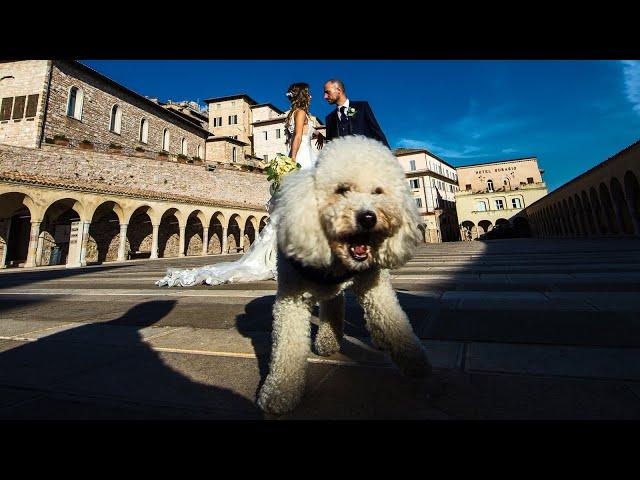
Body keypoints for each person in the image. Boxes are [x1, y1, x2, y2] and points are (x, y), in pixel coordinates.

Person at [155, 82, 319, 287]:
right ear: (304, 95)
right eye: (309, 94)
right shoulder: (301, 111)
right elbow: (297, 138)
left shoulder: (291, 114)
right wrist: (292, 162)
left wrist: (315, 136)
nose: (312, 97)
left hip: (303, 157)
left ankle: (293, 254)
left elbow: (300, 133)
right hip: (301, 160)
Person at [318, 78, 389, 148]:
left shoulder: (362, 107)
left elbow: (377, 133)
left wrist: (389, 156)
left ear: (338, 90)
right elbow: (330, 145)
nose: (325, 96)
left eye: (328, 92)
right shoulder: (329, 118)